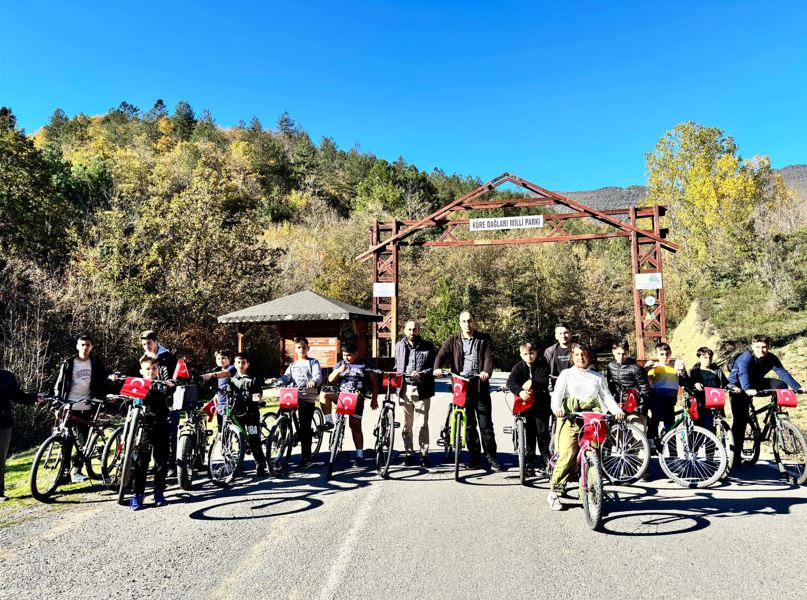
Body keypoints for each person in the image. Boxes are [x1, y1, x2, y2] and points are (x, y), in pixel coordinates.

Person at [548, 342, 624, 511]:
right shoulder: (566, 374)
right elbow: (557, 395)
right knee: (568, 453)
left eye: (583, 354)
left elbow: (607, 398)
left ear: (588, 356)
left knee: (594, 453)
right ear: (572, 357)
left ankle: (590, 492)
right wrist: (557, 409)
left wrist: (617, 411)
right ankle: (554, 491)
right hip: (570, 417)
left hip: (592, 419)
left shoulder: (597, 377)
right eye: (576, 355)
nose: (580, 357)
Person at [434, 310, 502, 471]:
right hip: (461, 386)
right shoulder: (453, 340)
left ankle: (491, 458)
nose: (467, 324)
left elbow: (488, 358)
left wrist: (486, 371)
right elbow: (440, 356)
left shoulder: (484, 339)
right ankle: (475, 458)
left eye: (469, 321)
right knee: (469, 425)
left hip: (480, 384)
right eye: (464, 321)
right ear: (460, 323)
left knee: (486, 425)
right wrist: (437, 368)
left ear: (475, 322)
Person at [728, 335, 803, 469]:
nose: (761, 350)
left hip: (756, 383)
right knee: (740, 421)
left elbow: (782, 373)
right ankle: (735, 456)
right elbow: (743, 374)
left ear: (768, 347)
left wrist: (798, 387)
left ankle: (776, 414)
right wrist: (747, 389)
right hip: (739, 387)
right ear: (752, 346)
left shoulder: (771, 358)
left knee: (780, 384)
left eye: (764, 347)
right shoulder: (746, 357)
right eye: (758, 347)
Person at [53, 334, 109, 482]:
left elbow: (103, 381)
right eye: (82, 345)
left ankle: (77, 471)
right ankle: (64, 474)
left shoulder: (96, 363)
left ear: (92, 347)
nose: (85, 348)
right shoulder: (68, 363)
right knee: (67, 441)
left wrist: (106, 396)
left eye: (88, 345)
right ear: (77, 346)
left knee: (83, 442)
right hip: (69, 405)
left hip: (87, 406)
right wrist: (57, 404)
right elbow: (59, 385)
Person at [267, 337, 322, 468]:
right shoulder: (293, 365)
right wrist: (277, 381)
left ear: (308, 348)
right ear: (295, 350)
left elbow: (317, 375)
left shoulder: (313, 362)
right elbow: (286, 378)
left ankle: (307, 457)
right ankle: (283, 437)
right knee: (282, 414)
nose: (301, 350)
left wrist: (313, 381)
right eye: (299, 347)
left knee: (305, 426)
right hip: (292, 396)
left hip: (307, 397)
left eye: (304, 347)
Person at [130, 355, 174, 510]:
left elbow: (172, 391)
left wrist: (171, 385)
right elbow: (132, 399)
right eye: (147, 369)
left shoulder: (163, 385)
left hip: (162, 425)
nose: (151, 371)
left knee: (161, 462)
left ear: (158, 370)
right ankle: (138, 495)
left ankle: (159, 493)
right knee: (141, 462)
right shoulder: (138, 385)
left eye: (154, 368)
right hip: (145, 428)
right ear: (141, 371)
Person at [326, 342, 378, 466]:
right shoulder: (341, 364)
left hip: (357, 398)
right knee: (324, 395)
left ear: (356, 353)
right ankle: (328, 421)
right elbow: (330, 379)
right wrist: (338, 370)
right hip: (342, 396)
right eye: (344, 355)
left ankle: (359, 455)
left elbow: (374, 381)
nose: (346, 358)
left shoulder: (365, 364)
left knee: (355, 426)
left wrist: (374, 398)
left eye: (349, 355)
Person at [394, 320, 437, 468]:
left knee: (422, 424)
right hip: (404, 388)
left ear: (419, 331)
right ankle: (409, 453)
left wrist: (421, 374)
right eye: (410, 329)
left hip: (422, 388)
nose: (412, 332)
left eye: (415, 329)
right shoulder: (399, 346)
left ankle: (424, 454)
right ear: (405, 330)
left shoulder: (428, 347)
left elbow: (433, 367)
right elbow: (396, 366)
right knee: (406, 424)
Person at [506, 341, 551, 476]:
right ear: (521, 355)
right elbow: (510, 382)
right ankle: (529, 463)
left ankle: (545, 461)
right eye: (525, 354)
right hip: (525, 405)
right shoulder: (519, 367)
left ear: (536, 353)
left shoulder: (543, 365)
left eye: (531, 353)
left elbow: (543, 382)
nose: (529, 356)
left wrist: (533, 382)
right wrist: (520, 392)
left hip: (541, 403)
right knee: (529, 434)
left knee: (542, 434)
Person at [140, 330, 179, 477]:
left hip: (168, 399)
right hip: (150, 400)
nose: (147, 347)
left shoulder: (167, 357)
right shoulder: (144, 358)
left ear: (156, 342)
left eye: (149, 343)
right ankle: (152, 463)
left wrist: (171, 384)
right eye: (144, 344)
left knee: (170, 433)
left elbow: (175, 375)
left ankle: (171, 464)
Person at [1, 369, 42, 502]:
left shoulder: (6, 377)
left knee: (0, 460)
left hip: (3, 425)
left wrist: (35, 397)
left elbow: (19, 397)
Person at [225, 353, 268, 476]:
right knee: (239, 439)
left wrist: (252, 397)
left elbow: (258, 395)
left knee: (254, 438)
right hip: (238, 414)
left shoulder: (253, 378)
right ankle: (239, 464)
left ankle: (260, 462)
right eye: (238, 362)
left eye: (243, 362)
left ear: (247, 364)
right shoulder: (232, 379)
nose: (240, 365)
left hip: (251, 414)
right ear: (234, 364)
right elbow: (229, 393)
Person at [644, 342, 688, 447]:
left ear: (671, 353)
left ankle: (672, 450)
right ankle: (651, 441)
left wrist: (683, 368)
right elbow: (645, 383)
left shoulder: (675, 366)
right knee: (656, 417)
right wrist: (645, 370)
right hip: (656, 398)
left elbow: (685, 378)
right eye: (662, 354)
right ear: (657, 355)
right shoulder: (653, 367)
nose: (665, 356)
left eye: (667, 353)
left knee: (670, 423)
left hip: (670, 399)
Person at [605, 340, 650, 427]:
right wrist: (614, 404)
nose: (621, 357)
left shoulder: (636, 368)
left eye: (624, 354)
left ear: (628, 352)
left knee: (638, 434)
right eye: (618, 353)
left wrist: (642, 412)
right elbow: (611, 389)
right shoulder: (610, 366)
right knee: (612, 431)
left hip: (635, 406)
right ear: (613, 352)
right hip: (619, 406)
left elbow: (645, 390)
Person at [689, 346, 729, 432]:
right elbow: (690, 383)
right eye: (705, 357)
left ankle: (713, 444)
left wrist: (733, 388)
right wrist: (695, 384)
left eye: (710, 357)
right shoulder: (694, 371)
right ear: (699, 357)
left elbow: (725, 383)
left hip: (715, 400)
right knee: (700, 425)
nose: (708, 359)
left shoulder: (717, 371)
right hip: (700, 401)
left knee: (713, 425)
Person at [544, 323, 573, 392]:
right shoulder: (549, 352)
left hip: (575, 386)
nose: (563, 336)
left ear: (570, 334)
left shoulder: (579, 350)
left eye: (565, 333)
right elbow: (545, 371)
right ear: (556, 336)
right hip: (557, 388)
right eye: (560, 333)